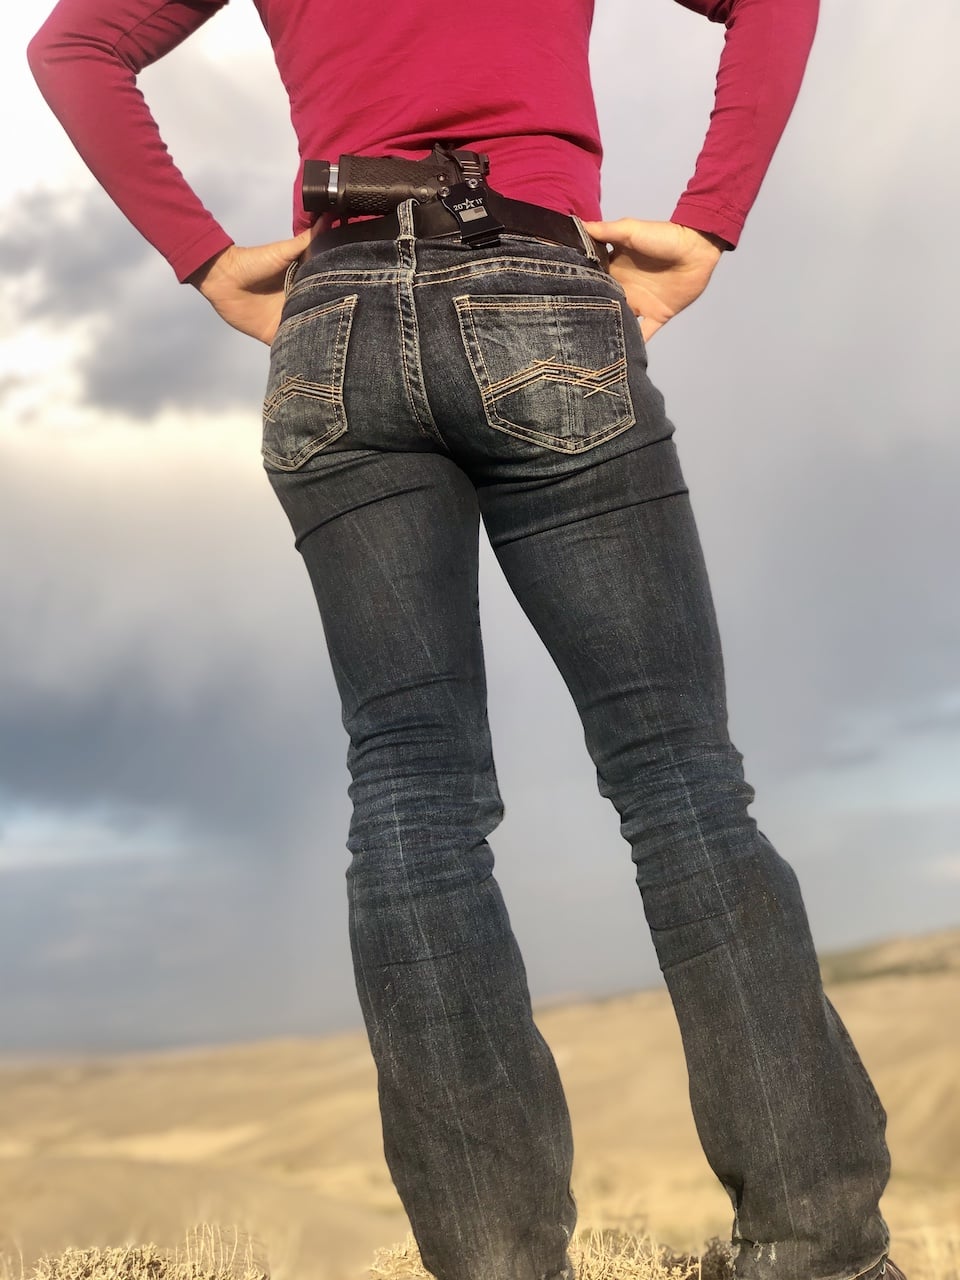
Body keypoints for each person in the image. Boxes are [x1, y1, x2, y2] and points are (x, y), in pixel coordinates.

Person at [27, 2, 902, 1279]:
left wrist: (208, 261)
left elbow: (70, 47)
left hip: (333, 322)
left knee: (411, 796)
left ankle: (493, 1261)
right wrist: (709, 221)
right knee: (680, 780)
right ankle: (817, 1245)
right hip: (538, 281)